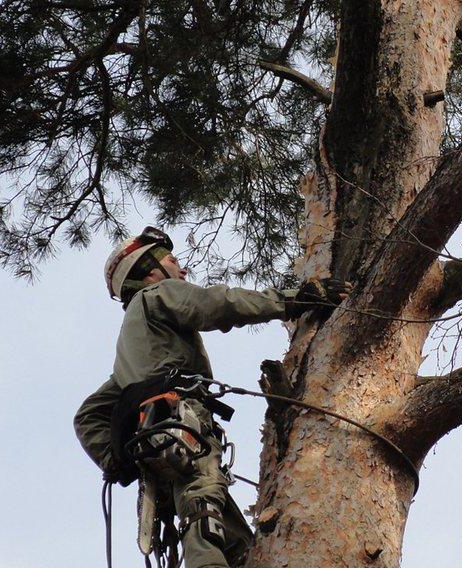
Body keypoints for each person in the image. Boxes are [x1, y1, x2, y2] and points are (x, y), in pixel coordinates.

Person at [74, 226, 350, 568]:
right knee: (203, 511)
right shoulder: (157, 294)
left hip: (155, 449)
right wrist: (292, 300)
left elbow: (88, 415)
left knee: (227, 534)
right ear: (148, 273)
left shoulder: (129, 356)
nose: (182, 270)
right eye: (173, 262)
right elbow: (217, 304)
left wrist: (117, 460)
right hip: (181, 423)